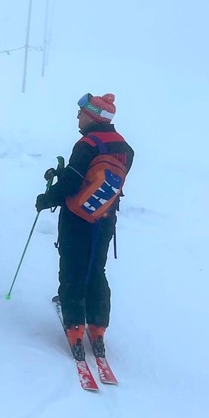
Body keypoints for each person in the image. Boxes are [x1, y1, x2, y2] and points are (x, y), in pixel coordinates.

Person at [35, 93, 133, 360]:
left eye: (82, 112)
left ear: (93, 116)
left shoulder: (87, 144)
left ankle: (75, 327)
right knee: (95, 269)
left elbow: (73, 182)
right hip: (105, 219)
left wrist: (46, 198)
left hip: (77, 218)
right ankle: (98, 326)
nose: (78, 116)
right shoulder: (125, 147)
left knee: (72, 269)